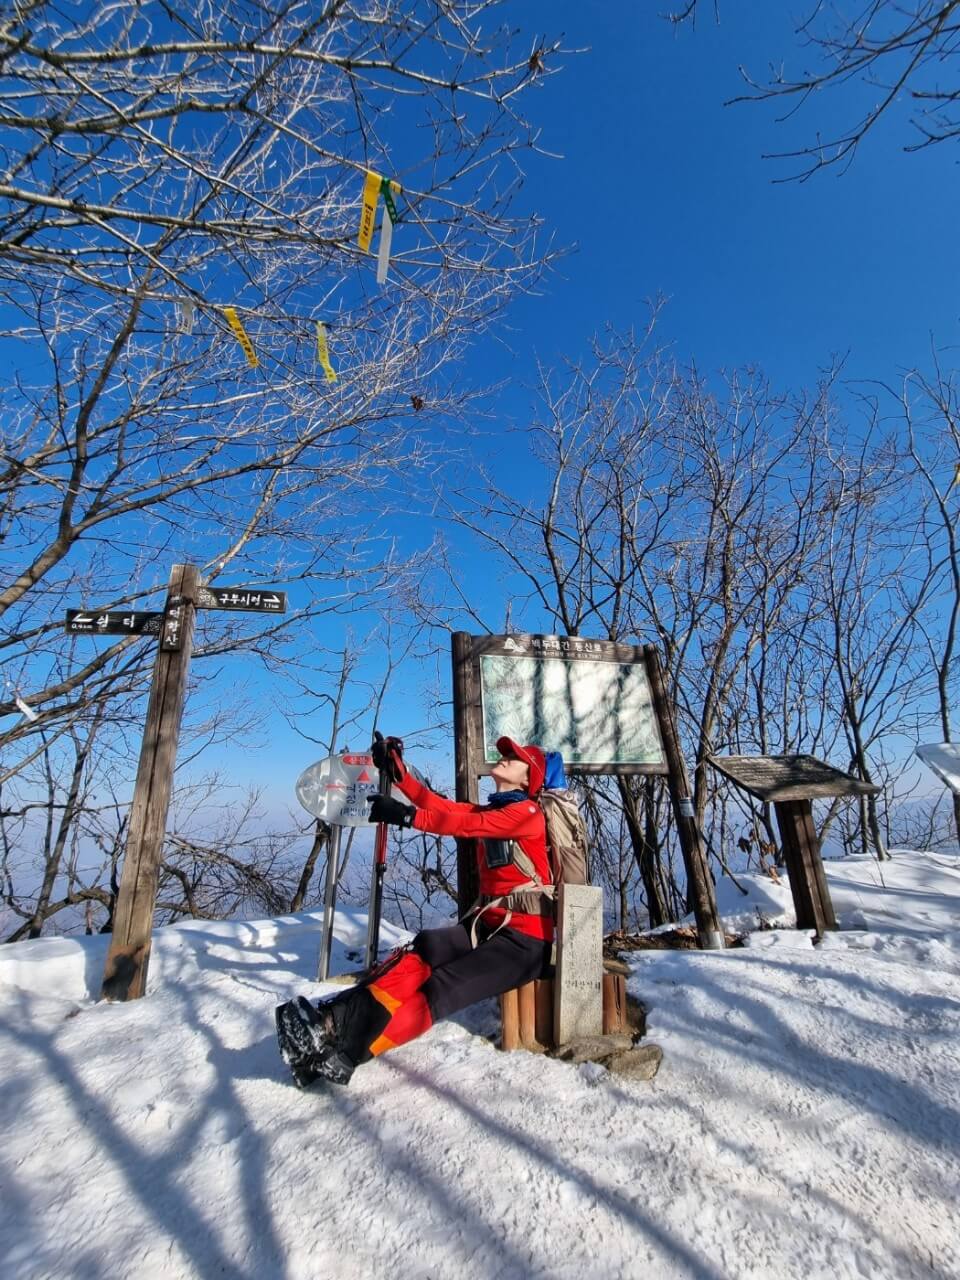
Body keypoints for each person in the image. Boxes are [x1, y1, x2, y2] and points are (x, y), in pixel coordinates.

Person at [275, 733, 554, 1087]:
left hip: (525, 943)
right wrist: (399, 771)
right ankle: (330, 1021)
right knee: (423, 948)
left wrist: (406, 817)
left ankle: (347, 1050)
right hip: (489, 927)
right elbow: (439, 807)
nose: (503, 758)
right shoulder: (495, 810)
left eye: (513, 758)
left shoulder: (527, 813)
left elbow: (464, 825)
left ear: (528, 779)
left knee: (440, 988)